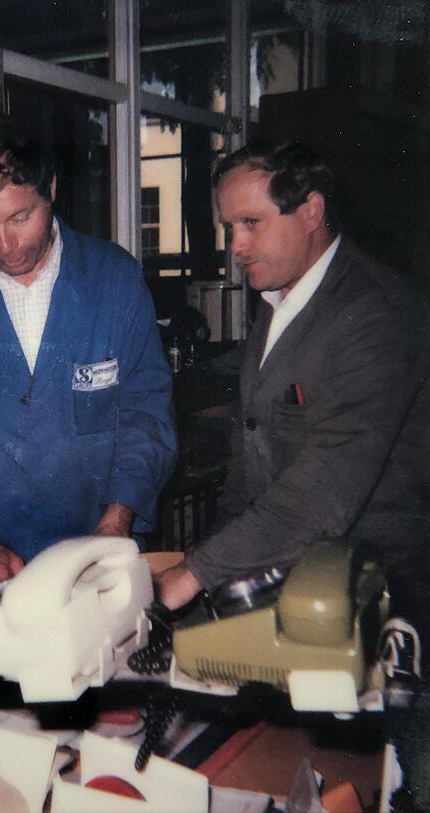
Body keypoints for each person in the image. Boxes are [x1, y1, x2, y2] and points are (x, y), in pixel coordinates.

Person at [0, 114, 178, 615]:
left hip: (100, 566)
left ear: (50, 189)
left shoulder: (114, 280)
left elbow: (146, 418)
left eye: (20, 218)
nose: (5, 246)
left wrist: (115, 525)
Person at [156, 142, 429, 642]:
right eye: (229, 228)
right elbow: (249, 464)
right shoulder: (280, 300)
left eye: (252, 223)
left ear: (312, 212)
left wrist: (194, 574)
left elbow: (321, 496)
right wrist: (208, 564)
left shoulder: (376, 317)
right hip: (294, 577)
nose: (236, 245)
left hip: (379, 603)